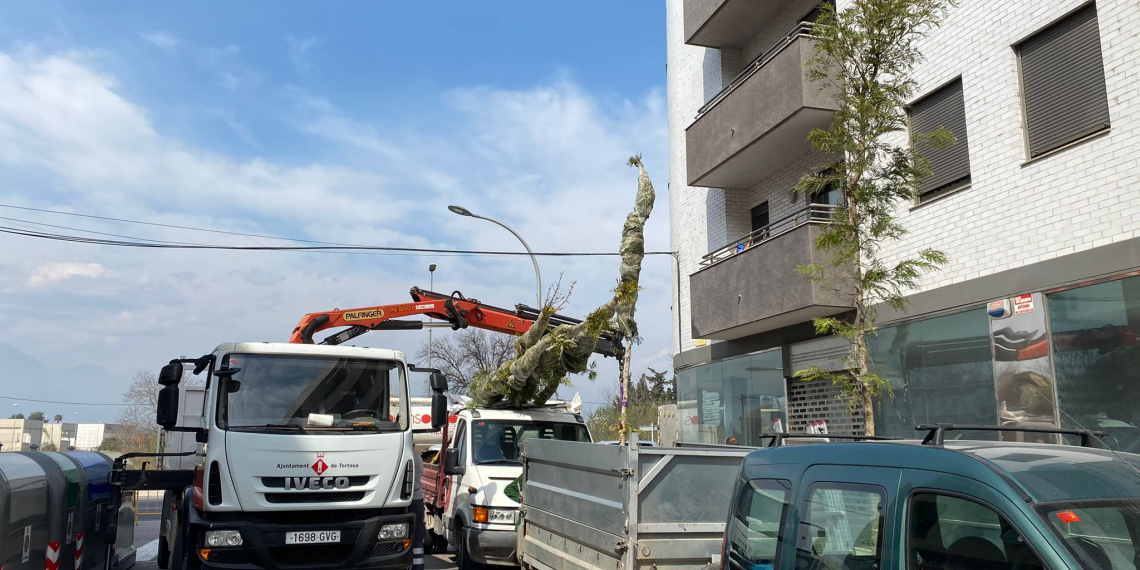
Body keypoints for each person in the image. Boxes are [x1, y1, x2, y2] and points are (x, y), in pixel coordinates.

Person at [412, 453, 425, 570]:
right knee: (417, 534)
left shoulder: (403, 457)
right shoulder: (418, 459)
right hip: (417, 498)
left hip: (406, 499)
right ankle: (418, 566)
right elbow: (421, 473)